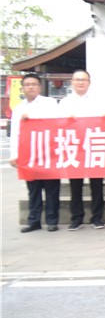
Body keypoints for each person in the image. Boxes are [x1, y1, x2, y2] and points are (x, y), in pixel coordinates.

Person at [10, 73, 60, 233]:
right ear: (23, 88)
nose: (30, 87)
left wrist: (31, 118)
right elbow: (15, 133)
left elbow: (55, 121)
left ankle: (52, 220)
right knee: (33, 190)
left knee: (52, 189)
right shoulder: (18, 108)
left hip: (48, 154)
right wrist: (14, 154)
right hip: (29, 156)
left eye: (33, 84)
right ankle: (34, 221)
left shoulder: (50, 103)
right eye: (27, 84)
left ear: (40, 87)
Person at [59, 70, 105, 230]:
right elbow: (57, 125)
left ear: (89, 83)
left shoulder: (97, 102)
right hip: (74, 147)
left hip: (93, 146)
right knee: (75, 185)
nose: (80, 83)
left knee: (97, 185)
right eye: (77, 80)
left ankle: (97, 217)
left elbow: (103, 122)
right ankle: (76, 218)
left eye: (83, 80)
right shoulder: (64, 103)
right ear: (72, 82)